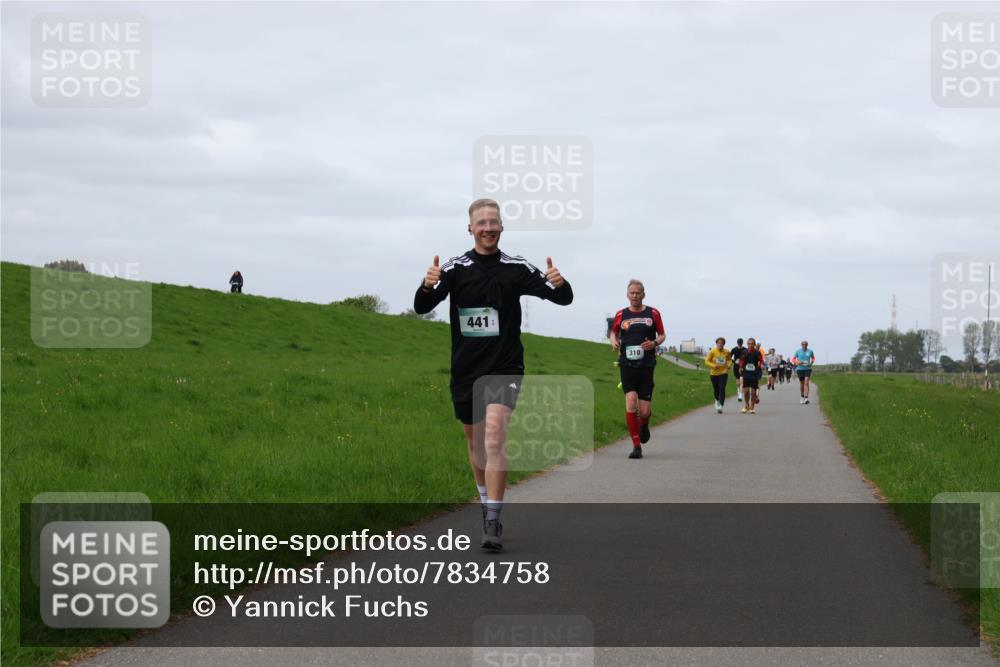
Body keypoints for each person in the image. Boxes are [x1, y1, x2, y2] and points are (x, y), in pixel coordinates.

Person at [414, 198, 573, 550]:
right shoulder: (455, 268)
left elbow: (563, 300)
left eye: (494, 222)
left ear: (502, 227)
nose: (488, 227)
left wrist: (560, 283)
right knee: (476, 447)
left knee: (494, 437)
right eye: (481, 222)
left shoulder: (516, 268)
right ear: (470, 228)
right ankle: (486, 500)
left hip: (505, 367)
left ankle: (493, 519)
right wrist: (427, 286)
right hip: (466, 370)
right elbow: (422, 306)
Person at [609, 280, 666, 459]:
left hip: (646, 365)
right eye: (631, 293)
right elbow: (613, 332)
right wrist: (613, 340)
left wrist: (654, 343)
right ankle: (636, 446)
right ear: (627, 295)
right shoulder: (621, 314)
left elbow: (662, 334)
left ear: (643, 294)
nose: (634, 296)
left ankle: (644, 425)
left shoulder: (653, 313)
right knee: (631, 400)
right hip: (627, 364)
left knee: (645, 409)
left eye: (638, 293)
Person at [704, 337, 731, 413]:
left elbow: (729, 360)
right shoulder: (712, 351)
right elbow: (706, 361)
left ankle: (721, 406)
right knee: (716, 389)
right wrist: (713, 366)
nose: (720, 344)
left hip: (723, 373)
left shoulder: (727, 352)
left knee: (722, 389)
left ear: (724, 344)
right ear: (716, 344)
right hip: (714, 373)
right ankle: (717, 400)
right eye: (718, 343)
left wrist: (728, 365)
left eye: (722, 343)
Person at [739, 338, 765, 414]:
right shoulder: (744, 352)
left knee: (753, 392)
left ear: (754, 345)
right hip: (746, 373)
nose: (750, 345)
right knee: (746, 391)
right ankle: (746, 405)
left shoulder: (757, 353)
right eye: (749, 344)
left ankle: (752, 407)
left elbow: (761, 360)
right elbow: (741, 360)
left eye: (752, 344)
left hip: (754, 374)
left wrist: (762, 365)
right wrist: (740, 367)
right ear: (747, 344)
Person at [792, 340, 816, 404]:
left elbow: (813, 358)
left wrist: (811, 363)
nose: (804, 345)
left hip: (807, 368)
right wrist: (798, 362)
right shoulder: (798, 351)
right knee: (802, 384)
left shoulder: (810, 351)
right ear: (801, 345)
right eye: (803, 344)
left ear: (807, 345)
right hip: (800, 369)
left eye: (805, 344)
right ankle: (802, 396)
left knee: (806, 382)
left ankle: (806, 398)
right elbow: (793, 359)